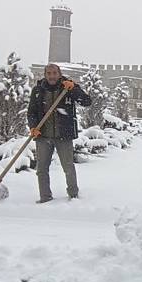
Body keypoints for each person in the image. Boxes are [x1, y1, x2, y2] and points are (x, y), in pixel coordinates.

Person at [27, 64, 92, 203]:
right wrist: (33, 127)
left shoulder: (68, 88)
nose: (52, 76)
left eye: (54, 73)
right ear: (45, 75)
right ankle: (45, 197)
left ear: (59, 73)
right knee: (42, 169)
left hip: (64, 135)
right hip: (43, 135)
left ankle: (73, 195)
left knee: (68, 167)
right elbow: (31, 112)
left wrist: (74, 88)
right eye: (49, 73)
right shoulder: (38, 90)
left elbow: (87, 101)